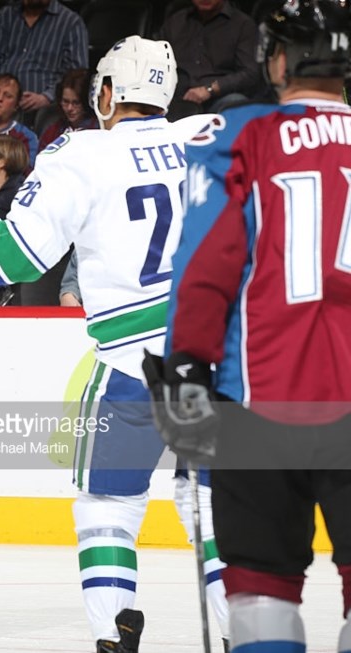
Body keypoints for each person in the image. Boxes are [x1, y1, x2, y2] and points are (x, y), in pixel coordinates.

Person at [0, 37, 231, 651]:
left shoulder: (80, 153)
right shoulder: (214, 132)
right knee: (214, 511)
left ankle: (111, 632)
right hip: (226, 355)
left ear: (108, 93)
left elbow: (15, 256)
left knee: (105, 506)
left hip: (132, 363)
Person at [149, 2, 351, 651]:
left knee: (260, 590)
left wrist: (185, 364)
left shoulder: (239, 134)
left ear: (282, 60)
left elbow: (208, 265)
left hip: (257, 403)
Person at [0, 0, 87, 114]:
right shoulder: (6, 15)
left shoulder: (71, 22)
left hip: (44, 108)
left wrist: (47, 97)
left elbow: (76, 73)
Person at [158, 0, 260, 115]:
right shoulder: (175, 22)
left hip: (218, 99)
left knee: (236, 103)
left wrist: (210, 90)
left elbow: (250, 73)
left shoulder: (243, 24)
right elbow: (156, 63)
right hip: (175, 99)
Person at [37, 68, 99, 151]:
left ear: (86, 102)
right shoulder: (52, 132)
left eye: (76, 103)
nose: (70, 108)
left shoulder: (98, 131)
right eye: (65, 101)